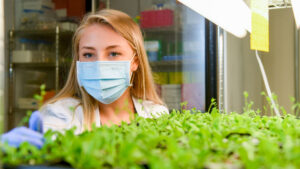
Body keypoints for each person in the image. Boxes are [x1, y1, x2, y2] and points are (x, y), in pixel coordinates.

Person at [1, 9, 169, 148]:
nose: (99, 64)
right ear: (78, 61)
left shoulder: (155, 113)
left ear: (135, 62)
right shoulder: (61, 115)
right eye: (88, 54)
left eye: (113, 53)